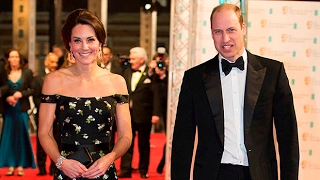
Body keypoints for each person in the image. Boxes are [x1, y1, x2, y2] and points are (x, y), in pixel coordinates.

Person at [171, 3, 299, 180]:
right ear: (211, 33)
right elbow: (182, 139)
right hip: (212, 174)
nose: (225, 39)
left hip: (259, 174)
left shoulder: (273, 72)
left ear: (243, 28)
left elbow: (288, 136)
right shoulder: (194, 79)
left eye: (231, 30)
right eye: (218, 31)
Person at [38, 8, 132, 180]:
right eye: (77, 40)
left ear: (100, 43)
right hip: (67, 171)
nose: (85, 47)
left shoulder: (117, 81)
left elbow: (126, 135)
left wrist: (110, 158)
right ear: (70, 45)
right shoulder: (54, 80)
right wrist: (61, 162)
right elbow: (45, 132)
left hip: (103, 171)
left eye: (90, 40)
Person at [119, 47, 161, 178]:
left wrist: (156, 114)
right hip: (127, 115)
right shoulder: (125, 72)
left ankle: (143, 170)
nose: (130, 61)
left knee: (144, 144)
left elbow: (156, 95)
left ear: (142, 60)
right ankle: (125, 170)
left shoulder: (152, 74)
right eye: (130, 58)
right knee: (126, 142)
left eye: (133, 59)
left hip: (144, 114)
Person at [0, 49, 36, 176]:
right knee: (9, 137)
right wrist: (7, 98)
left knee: (21, 137)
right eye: (11, 57)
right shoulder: (4, 73)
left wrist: (21, 93)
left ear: (19, 59)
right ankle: (10, 165)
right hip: (8, 110)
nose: (14, 59)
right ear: (8, 59)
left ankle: (21, 165)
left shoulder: (27, 73)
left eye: (16, 57)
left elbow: (33, 89)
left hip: (21, 109)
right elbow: (2, 89)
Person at [33, 52, 59, 176]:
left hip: (57, 117)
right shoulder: (38, 78)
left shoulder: (60, 78)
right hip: (43, 117)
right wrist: (47, 113)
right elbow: (36, 97)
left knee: (56, 142)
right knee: (41, 141)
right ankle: (41, 168)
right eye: (52, 62)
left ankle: (54, 168)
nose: (54, 65)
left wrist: (55, 113)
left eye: (56, 62)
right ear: (46, 62)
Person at [148, 47, 169, 174]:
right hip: (151, 108)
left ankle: (163, 162)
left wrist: (164, 74)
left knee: (170, 137)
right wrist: (151, 71)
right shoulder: (151, 73)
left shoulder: (170, 72)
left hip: (168, 108)